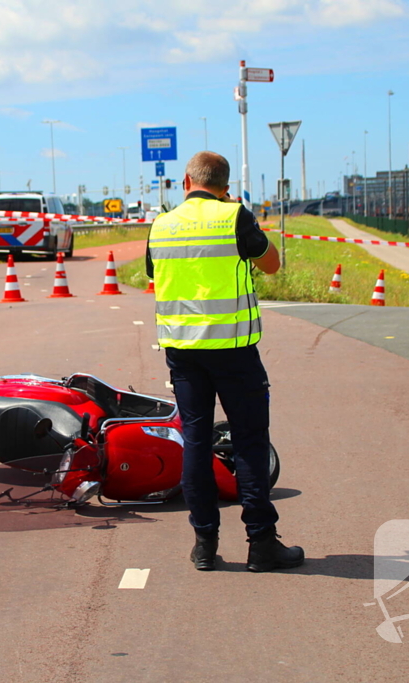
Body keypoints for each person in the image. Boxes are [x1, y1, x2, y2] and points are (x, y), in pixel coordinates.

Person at [146, 151, 304, 573]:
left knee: (196, 443)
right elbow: (272, 265)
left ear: (185, 182)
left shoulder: (160, 225)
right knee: (249, 441)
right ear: (225, 184)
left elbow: (154, 273)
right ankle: (261, 544)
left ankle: (204, 544)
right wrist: (239, 217)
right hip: (233, 350)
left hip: (182, 352)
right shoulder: (234, 216)